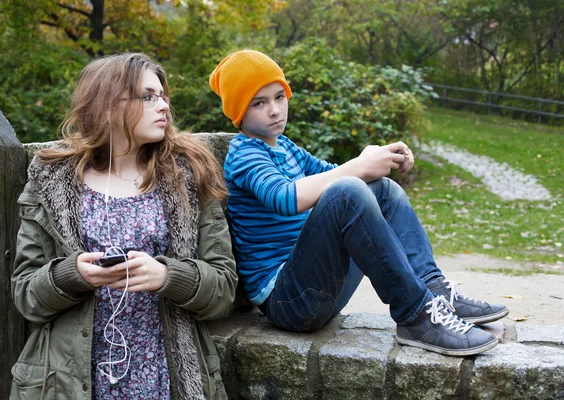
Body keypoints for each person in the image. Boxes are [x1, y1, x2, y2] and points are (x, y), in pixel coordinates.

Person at [209, 50, 508, 357]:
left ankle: (436, 292)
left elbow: (333, 175)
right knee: (348, 190)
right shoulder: (244, 153)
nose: (274, 110)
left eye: (279, 97)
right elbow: (287, 198)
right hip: (289, 301)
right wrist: (359, 166)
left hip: (317, 287)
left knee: (381, 189)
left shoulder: (285, 147)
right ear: (239, 112)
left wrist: (377, 156)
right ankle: (415, 317)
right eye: (259, 103)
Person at [10, 53, 237, 400]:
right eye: (147, 97)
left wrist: (167, 277)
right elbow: (26, 295)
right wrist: (72, 276)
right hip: (71, 382)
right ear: (106, 105)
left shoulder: (189, 176)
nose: (163, 106)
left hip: (166, 376)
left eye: (163, 96)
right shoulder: (51, 181)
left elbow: (223, 289)